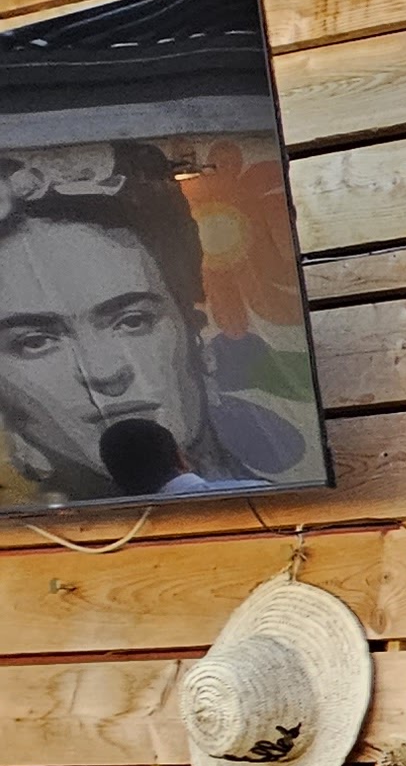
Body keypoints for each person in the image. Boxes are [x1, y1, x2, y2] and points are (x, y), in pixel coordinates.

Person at [0, 144, 314, 503]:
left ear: (196, 337)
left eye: (132, 321)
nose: (104, 372)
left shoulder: (286, 515)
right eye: (35, 341)